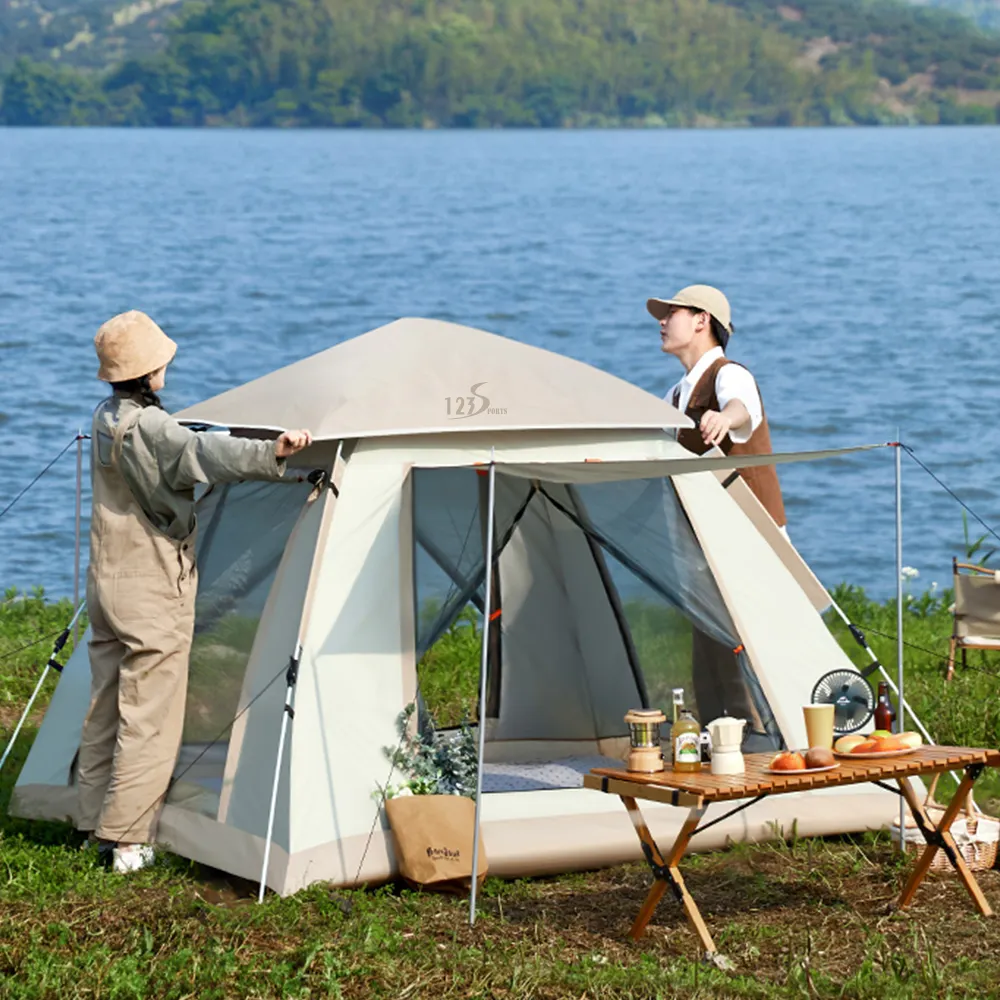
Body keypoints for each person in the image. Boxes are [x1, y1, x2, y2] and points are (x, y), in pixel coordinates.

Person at [76, 310, 313, 873]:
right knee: (149, 714)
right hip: (150, 587)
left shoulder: (108, 415)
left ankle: (91, 822)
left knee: (106, 705)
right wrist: (273, 452)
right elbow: (200, 456)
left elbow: (178, 448)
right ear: (149, 370)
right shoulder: (154, 428)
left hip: (106, 583)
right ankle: (129, 840)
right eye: (162, 362)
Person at [647, 284, 784, 735]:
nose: (662, 322)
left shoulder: (730, 375)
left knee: (746, 640)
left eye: (672, 313)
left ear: (702, 320)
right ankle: (724, 739)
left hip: (749, 534)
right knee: (707, 642)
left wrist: (726, 419)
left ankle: (769, 736)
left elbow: (743, 409)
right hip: (704, 539)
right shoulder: (674, 395)